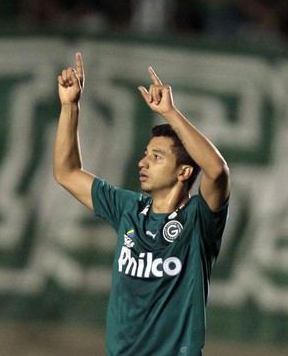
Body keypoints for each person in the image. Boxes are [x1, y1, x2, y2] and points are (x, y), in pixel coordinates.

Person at [53, 52, 231, 355]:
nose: (143, 163)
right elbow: (66, 172)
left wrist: (170, 113)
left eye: (156, 157)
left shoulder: (199, 220)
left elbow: (217, 170)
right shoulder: (128, 209)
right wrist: (70, 106)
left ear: (184, 171)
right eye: (146, 154)